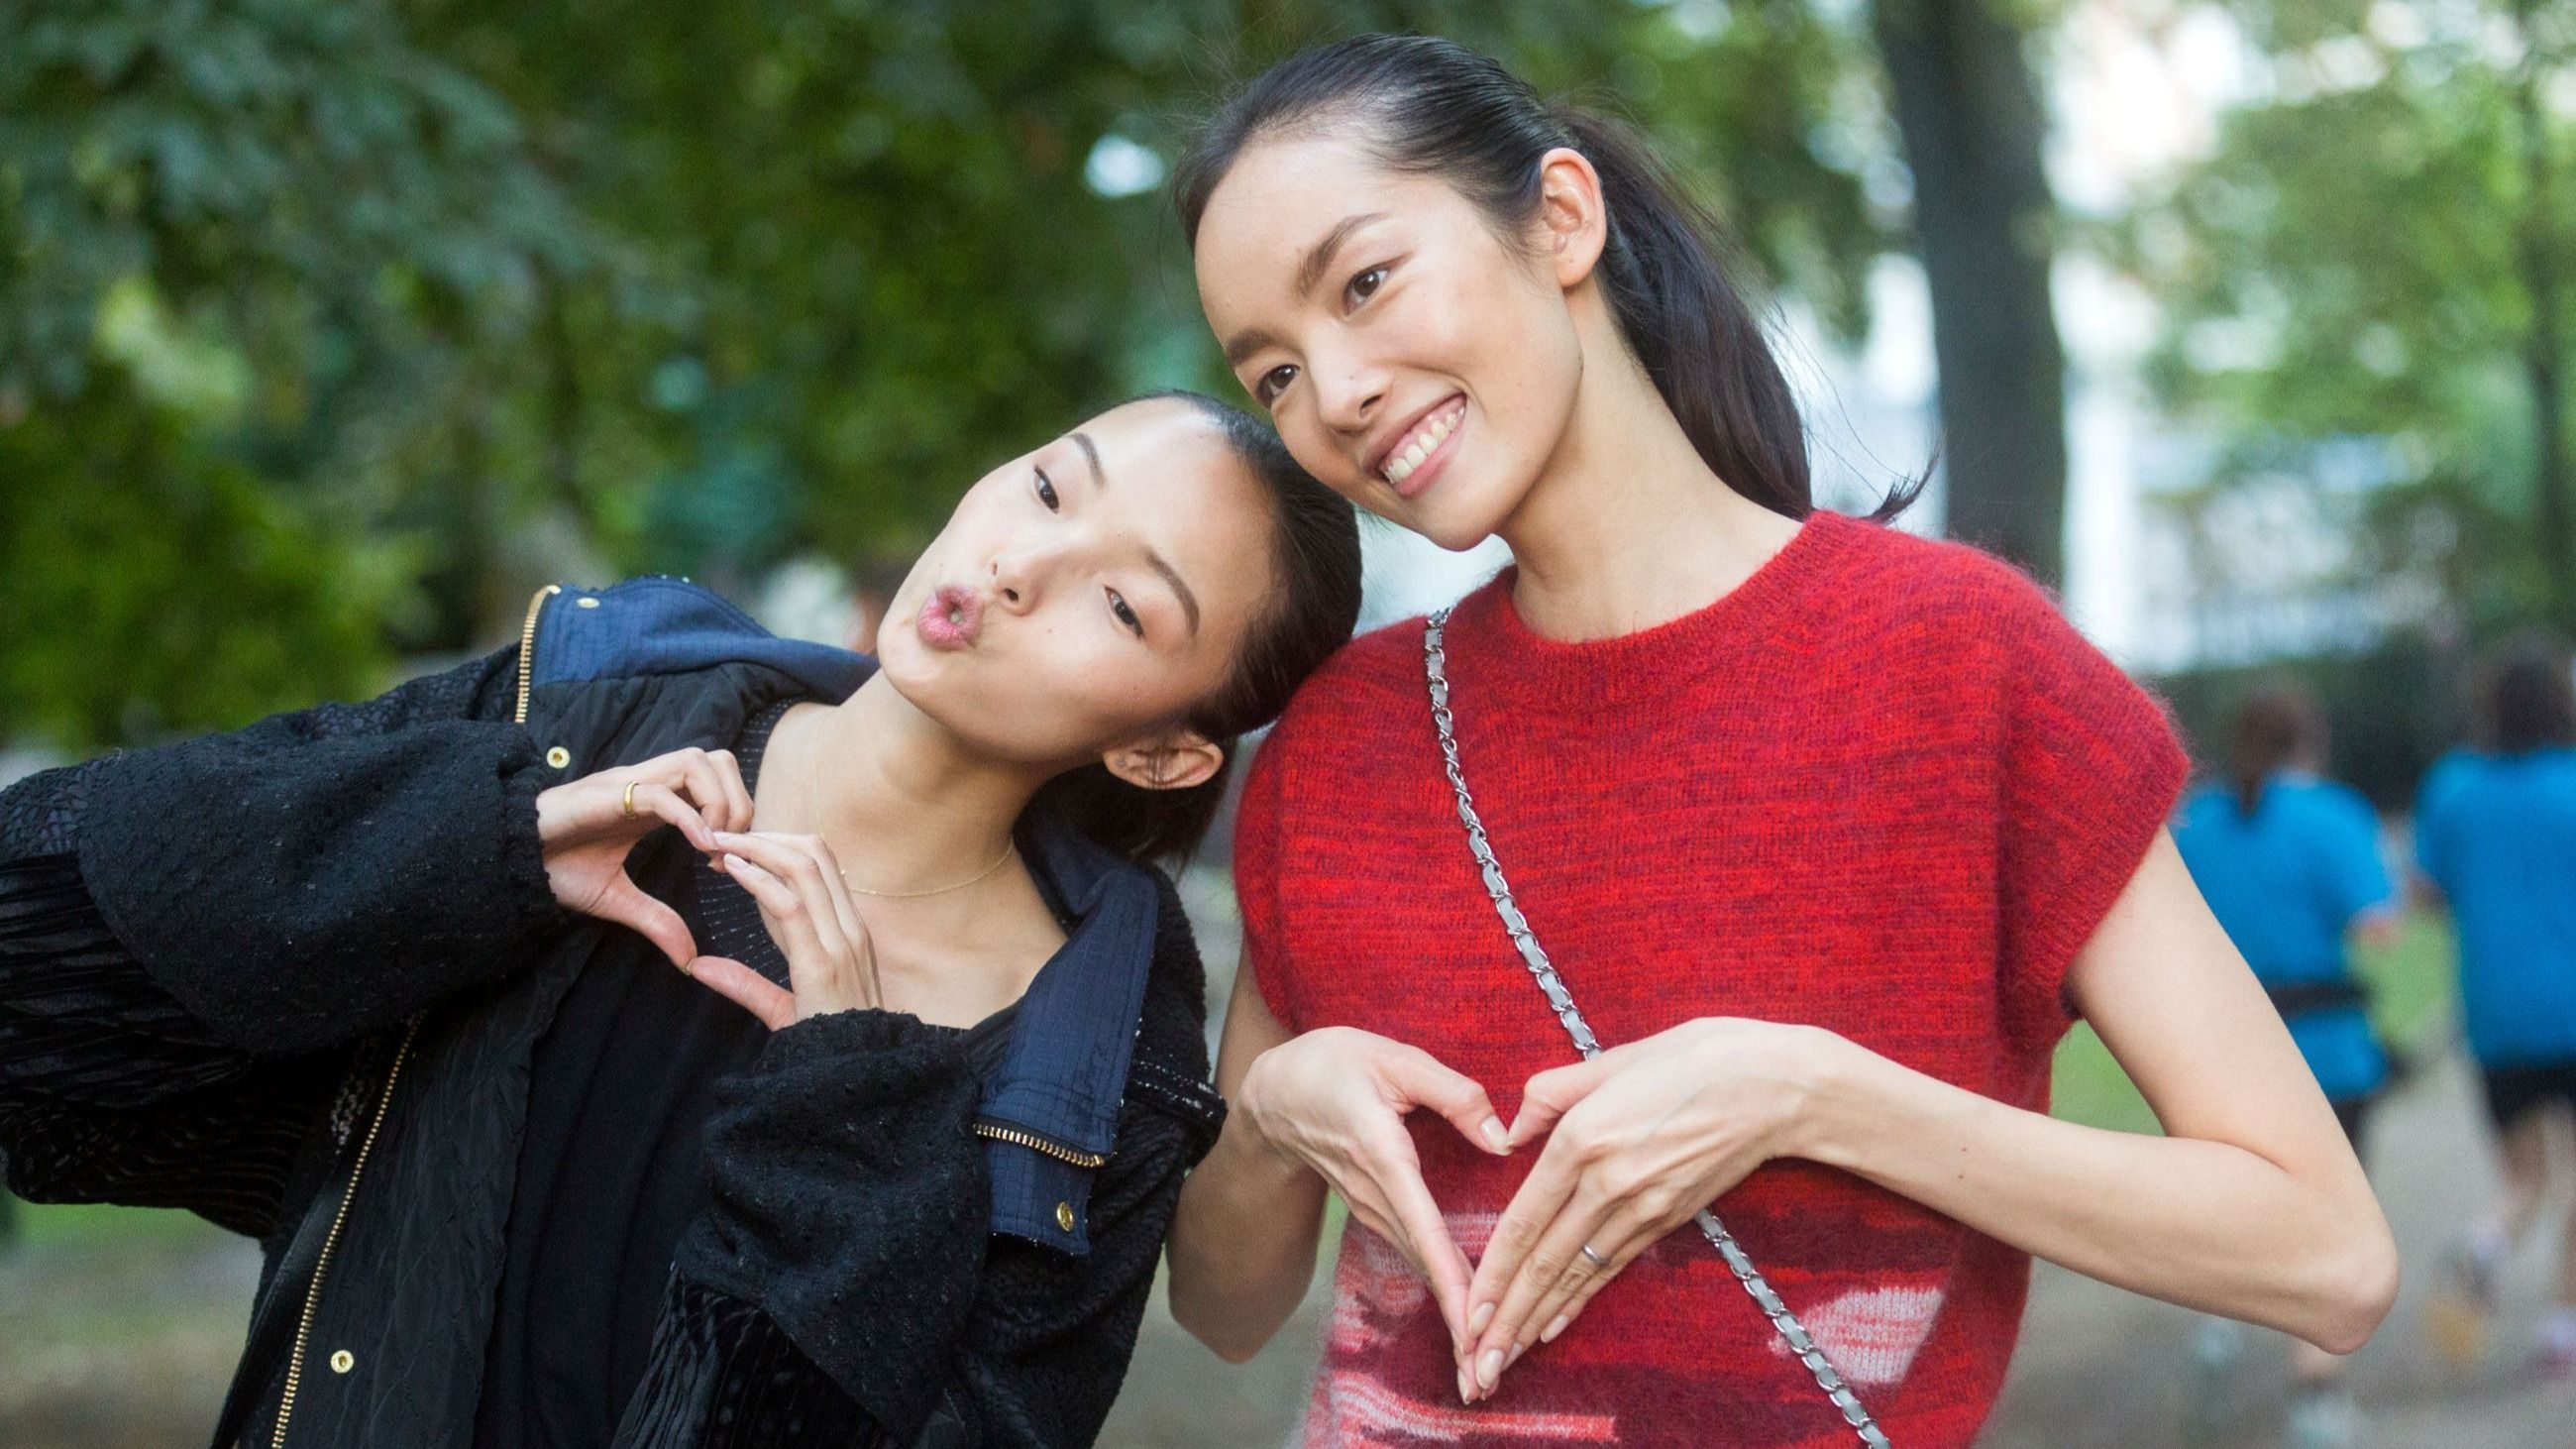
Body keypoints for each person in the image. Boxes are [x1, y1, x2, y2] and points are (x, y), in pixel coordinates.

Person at [1158, 35, 2397, 1447]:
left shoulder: (1963, 668)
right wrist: (1265, 1110)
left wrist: (1809, 1094)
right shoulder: (1339, 746)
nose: (1336, 393)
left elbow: (2325, 1251)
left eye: (1365, 282)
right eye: (1272, 373)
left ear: (1559, 218)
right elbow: (1227, 1302)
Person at [0, 390, 1361, 1449]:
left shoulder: (1088, 1065)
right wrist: (484, 843)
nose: (1022, 564)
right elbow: (40, 984)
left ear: (1165, 755)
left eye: (1122, 604)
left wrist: (842, 1113)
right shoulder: (590, 705)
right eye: (1053, 483)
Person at [2172, 686, 2400, 1446]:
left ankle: (2217, 1323)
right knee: (2323, 1224)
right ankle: (2314, 1395)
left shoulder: (2193, 821)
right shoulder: (2332, 814)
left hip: (2219, 1055)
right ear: (2310, 739)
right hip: (2327, 1052)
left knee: (2233, 1199)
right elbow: (2378, 926)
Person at [2415, 633, 2576, 1380]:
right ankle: (2561, 1327)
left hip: (2496, 1014)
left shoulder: (2453, 788)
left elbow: (2427, 894)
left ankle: (2483, 1242)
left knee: (2523, 1178)